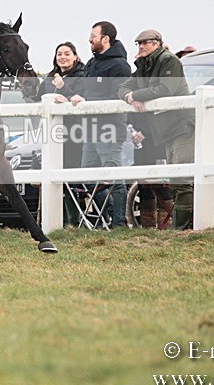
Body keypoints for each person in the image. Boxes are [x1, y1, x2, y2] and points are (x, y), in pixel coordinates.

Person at [119, 29, 195, 229]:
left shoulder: (169, 61)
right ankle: (177, 226)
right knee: (174, 179)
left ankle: (184, 227)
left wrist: (137, 95)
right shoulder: (144, 64)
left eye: (145, 43)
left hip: (181, 125)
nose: (141, 46)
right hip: (166, 129)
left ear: (157, 43)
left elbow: (165, 90)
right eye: (139, 43)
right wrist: (130, 95)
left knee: (182, 179)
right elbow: (123, 87)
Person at [67, 22, 131, 228]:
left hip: (110, 129)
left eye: (93, 35)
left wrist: (88, 102)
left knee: (114, 177)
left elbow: (117, 97)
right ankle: (110, 213)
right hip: (90, 129)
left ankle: (120, 223)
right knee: (87, 176)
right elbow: (87, 93)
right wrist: (73, 98)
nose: (89, 39)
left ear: (106, 39)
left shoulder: (120, 66)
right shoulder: (92, 64)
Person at [34, 42, 86, 169]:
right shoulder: (49, 78)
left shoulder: (83, 75)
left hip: (74, 130)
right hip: (51, 130)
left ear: (75, 57)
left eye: (67, 54)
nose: (63, 57)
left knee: (71, 166)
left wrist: (62, 88)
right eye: (59, 54)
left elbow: (80, 98)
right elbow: (36, 97)